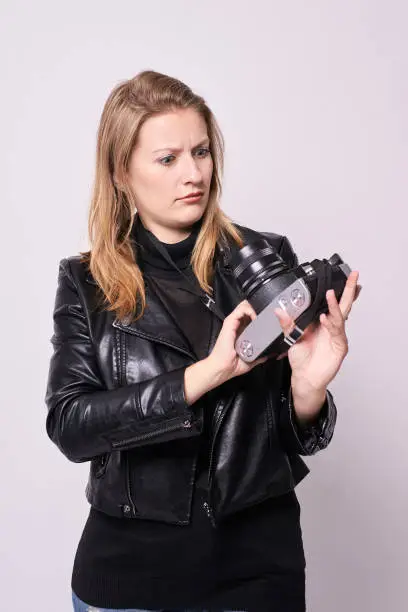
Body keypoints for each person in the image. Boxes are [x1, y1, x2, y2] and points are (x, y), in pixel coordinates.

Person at [44, 70, 360, 612]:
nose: (194, 174)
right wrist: (206, 374)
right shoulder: (88, 281)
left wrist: (308, 391)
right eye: (167, 159)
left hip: (257, 568)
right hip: (130, 577)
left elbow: (284, 436)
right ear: (122, 171)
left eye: (201, 152)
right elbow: (71, 426)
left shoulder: (265, 258)